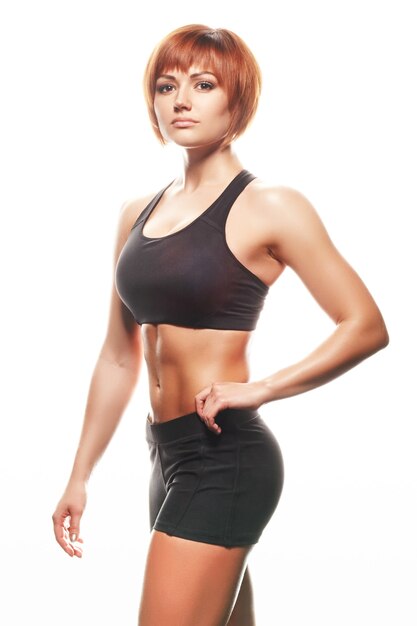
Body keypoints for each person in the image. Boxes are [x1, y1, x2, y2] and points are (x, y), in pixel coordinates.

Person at [52, 24, 389, 626]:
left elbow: (363, 324)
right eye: (167, 85)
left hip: (224, 457)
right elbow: (119, 357)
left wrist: (260, 388)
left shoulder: (270, 205)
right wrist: (79, 474)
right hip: (166, 455)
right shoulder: (137, 212)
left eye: (203, 84)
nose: (181, 99)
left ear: (237, 101)